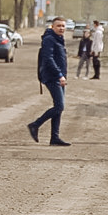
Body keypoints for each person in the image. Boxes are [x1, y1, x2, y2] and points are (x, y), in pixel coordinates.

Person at [27, 16, 70, 146]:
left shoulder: (59, 39)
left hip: (60, 77)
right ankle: (35, 125)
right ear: (53, 27)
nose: (61, 28)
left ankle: (54, 137)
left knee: (59, 107)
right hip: (52, 77)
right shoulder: (49, 39)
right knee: (59, 106)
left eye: (63, 26)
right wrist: (59, 75)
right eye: (58, 26)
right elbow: (48, 59)